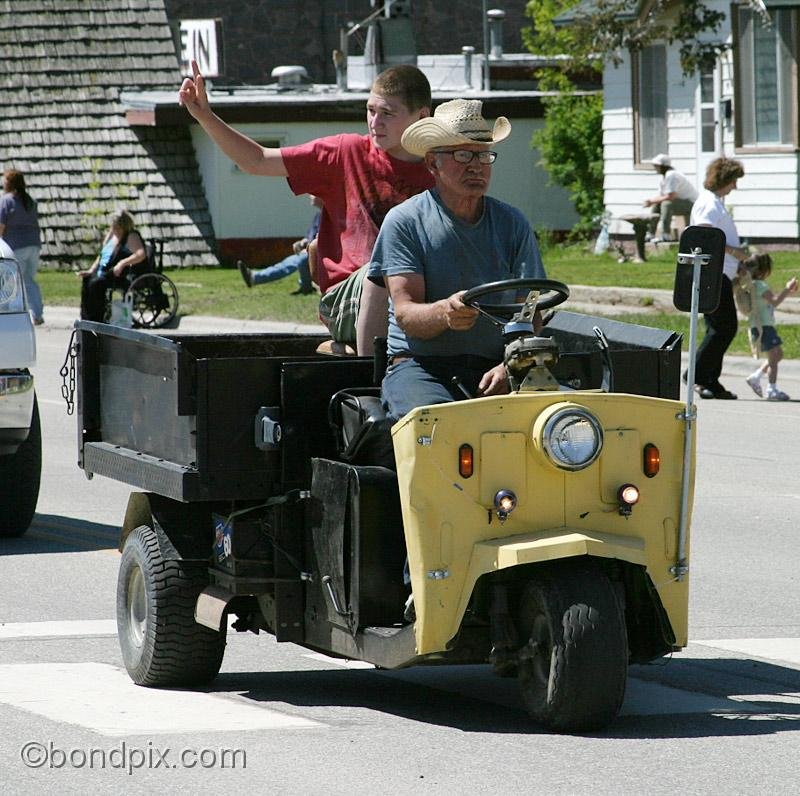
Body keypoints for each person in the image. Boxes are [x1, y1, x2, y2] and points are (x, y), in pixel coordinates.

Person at [179, 60, 435, 354]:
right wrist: (205, 117)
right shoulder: (345, 152)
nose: (375, 122)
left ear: (422, 116)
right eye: (371, 110)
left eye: (388, 114)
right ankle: (371, 380)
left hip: (411, 296)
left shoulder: (438, 171)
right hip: (347, 298)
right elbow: (257, 160)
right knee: (381, 270)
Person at [367, 99, 546, 422]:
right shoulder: (406, 221)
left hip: (496, 363)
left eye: (483, 155)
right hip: (420, 366)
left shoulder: (512, 223)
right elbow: (406, 312)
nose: (476, 165)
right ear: (433, 163)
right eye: (463, 155)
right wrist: (444, 313)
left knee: (559, 422)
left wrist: (512, 365)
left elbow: (529, 310)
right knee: (436, 426)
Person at [688, 156, 748, 400]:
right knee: (724, 327)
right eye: (734, 180)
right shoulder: (709, 204)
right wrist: (735, 252)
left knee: (719, 327)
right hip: (713, 273)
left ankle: (710, 378)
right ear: (724, 179)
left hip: (721, 272)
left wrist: (738, 263)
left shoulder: (715, 203)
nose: (735, 186)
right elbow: (706, 236)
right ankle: (697, 376)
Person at [237, 195, 321, 295]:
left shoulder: (329, 216)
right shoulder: (318, 216)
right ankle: (254, 277)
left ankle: (306, 288)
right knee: (290, 262)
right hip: (310, 251)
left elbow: (324, 239)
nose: (310, 196)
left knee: (300, 260)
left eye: (313, 194)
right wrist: (301, 243)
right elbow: (310, 236)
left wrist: (309, 249)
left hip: (320, 253)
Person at [742, 253, 798, 401]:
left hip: (761, 326)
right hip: (764, 327)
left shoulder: (751, 285)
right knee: (774, 357)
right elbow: (775, 302)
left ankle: (756, 376)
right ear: (764, 271)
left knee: (778, 354)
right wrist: (787, 288)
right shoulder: (760, 285)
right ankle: (772, 389)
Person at [77, 210, 146, 322]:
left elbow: (140, 254)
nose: (115, 231)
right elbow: (102, 255)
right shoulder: (112, 235)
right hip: (104, 270)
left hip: (120, 273)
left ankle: (97, 318)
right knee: (87, 280)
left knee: (96, 283)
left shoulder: (131, 236)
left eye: (118, 228)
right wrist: (91, 270)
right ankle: (86, 318)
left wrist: (122, 263)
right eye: (114, 227)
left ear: (124, 226)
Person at [0, 169, 43, 325]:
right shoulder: (30, 201)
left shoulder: (6, 200)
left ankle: (5, 313)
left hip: (16, 246)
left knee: (8, 281)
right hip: (34, 245)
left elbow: (1, 226)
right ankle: (37, 314)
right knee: (28, 280)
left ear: (10, 183)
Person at [644, 154, 698, 243]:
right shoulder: (665, 177)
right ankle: (650, 233)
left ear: (663, 166)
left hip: (692, 205)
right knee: (657, 204)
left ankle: (666, 235)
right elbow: (662, 196)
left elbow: (671, 196)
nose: (655, 168)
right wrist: (651, 201)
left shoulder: (672, 175)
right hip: (682, 203)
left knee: (666, 204)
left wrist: (651, 201)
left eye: (656, 166)